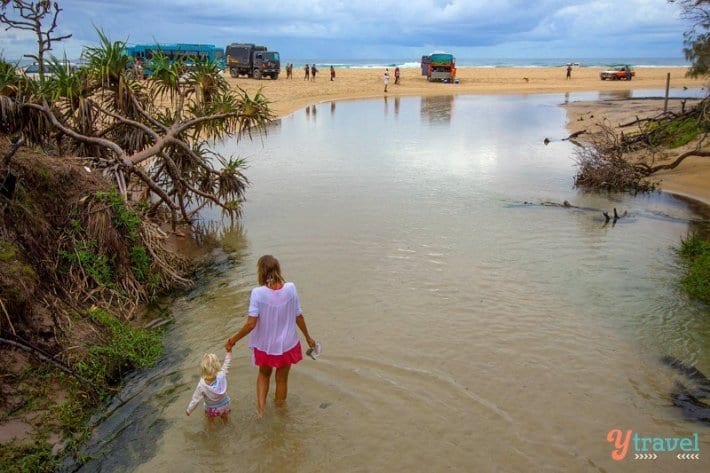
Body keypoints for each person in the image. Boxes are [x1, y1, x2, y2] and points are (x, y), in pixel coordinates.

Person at [225, 255, 316, 418]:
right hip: (288, 343)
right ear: (278, 270)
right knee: (282, 380)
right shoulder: (291, 288)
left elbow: (250, 324)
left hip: (266, 345)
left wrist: (233, 340)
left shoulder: (257, 293)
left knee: (264, 375)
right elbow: (298, 316)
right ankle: (280, 414)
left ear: (261, 272)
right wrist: (308, 337)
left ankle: (261, 412)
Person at [186, 349, 232, 423]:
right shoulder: (222, 374)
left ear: (203, 368)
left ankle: (211, 427)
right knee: (225, 417)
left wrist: (189, 410)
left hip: (212, 409)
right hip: (225, 405)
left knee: (209, 419)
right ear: (217, 365)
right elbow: (227, 363)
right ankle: (226, 423)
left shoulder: (202, 385)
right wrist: (229, 352)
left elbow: (196, 399)